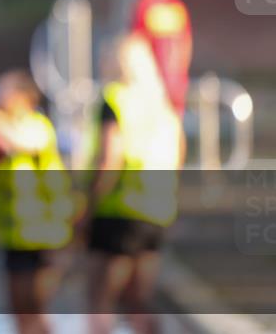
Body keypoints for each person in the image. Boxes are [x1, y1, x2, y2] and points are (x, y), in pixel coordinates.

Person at [83, 35, 183, 334]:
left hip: (118, 210)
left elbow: (109, 158)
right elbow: (177, 155)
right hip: (157, 211)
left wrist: (88, 206)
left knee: (99, 298)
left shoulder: (114, 98)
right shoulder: (163, 105)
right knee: (139, 300)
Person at [0, 70, 72, 334]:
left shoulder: (37, 124)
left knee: (35, 307)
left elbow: (24, 142)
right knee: (18, 307)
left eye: (3, 90)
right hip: (13, 234)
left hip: (45, 232)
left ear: (23, 96)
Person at [130, 0, 192, 116]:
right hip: (178, 81)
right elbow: (187, 45)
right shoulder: (178, 7)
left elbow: (136, 46)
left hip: (152, 83)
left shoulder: (145, 6)